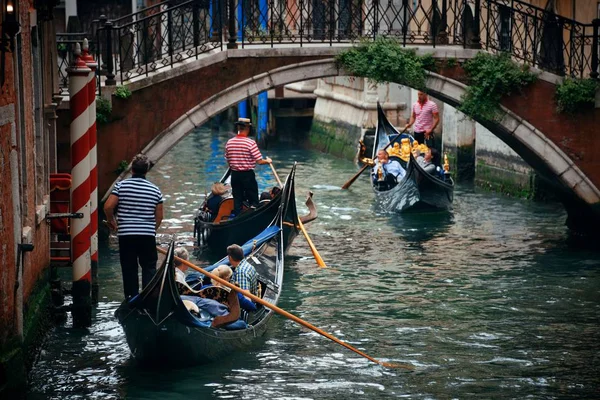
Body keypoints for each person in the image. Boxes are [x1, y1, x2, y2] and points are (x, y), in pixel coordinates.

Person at [104, 154, 164, 300]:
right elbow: (159, 216)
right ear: (147, 171)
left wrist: (112, 221)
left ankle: (132, 298)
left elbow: (108, 207)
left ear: (132, 170)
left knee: (129, 267)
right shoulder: (155, 190)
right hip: (147, 235)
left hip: (126, 235)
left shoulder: (121, 186)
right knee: (149, 267)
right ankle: (148, 298)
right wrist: (150, 229)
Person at [224, 118, 272, 217]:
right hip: (247, 175)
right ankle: (253, 217)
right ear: (247, 128)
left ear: (238, 127)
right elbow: (259, 161)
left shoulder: (229, 142)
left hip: (235, 175)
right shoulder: (250, 143)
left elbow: (228, 161)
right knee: (253, 199)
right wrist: (268, 161)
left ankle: (237, 217)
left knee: (237, 199)